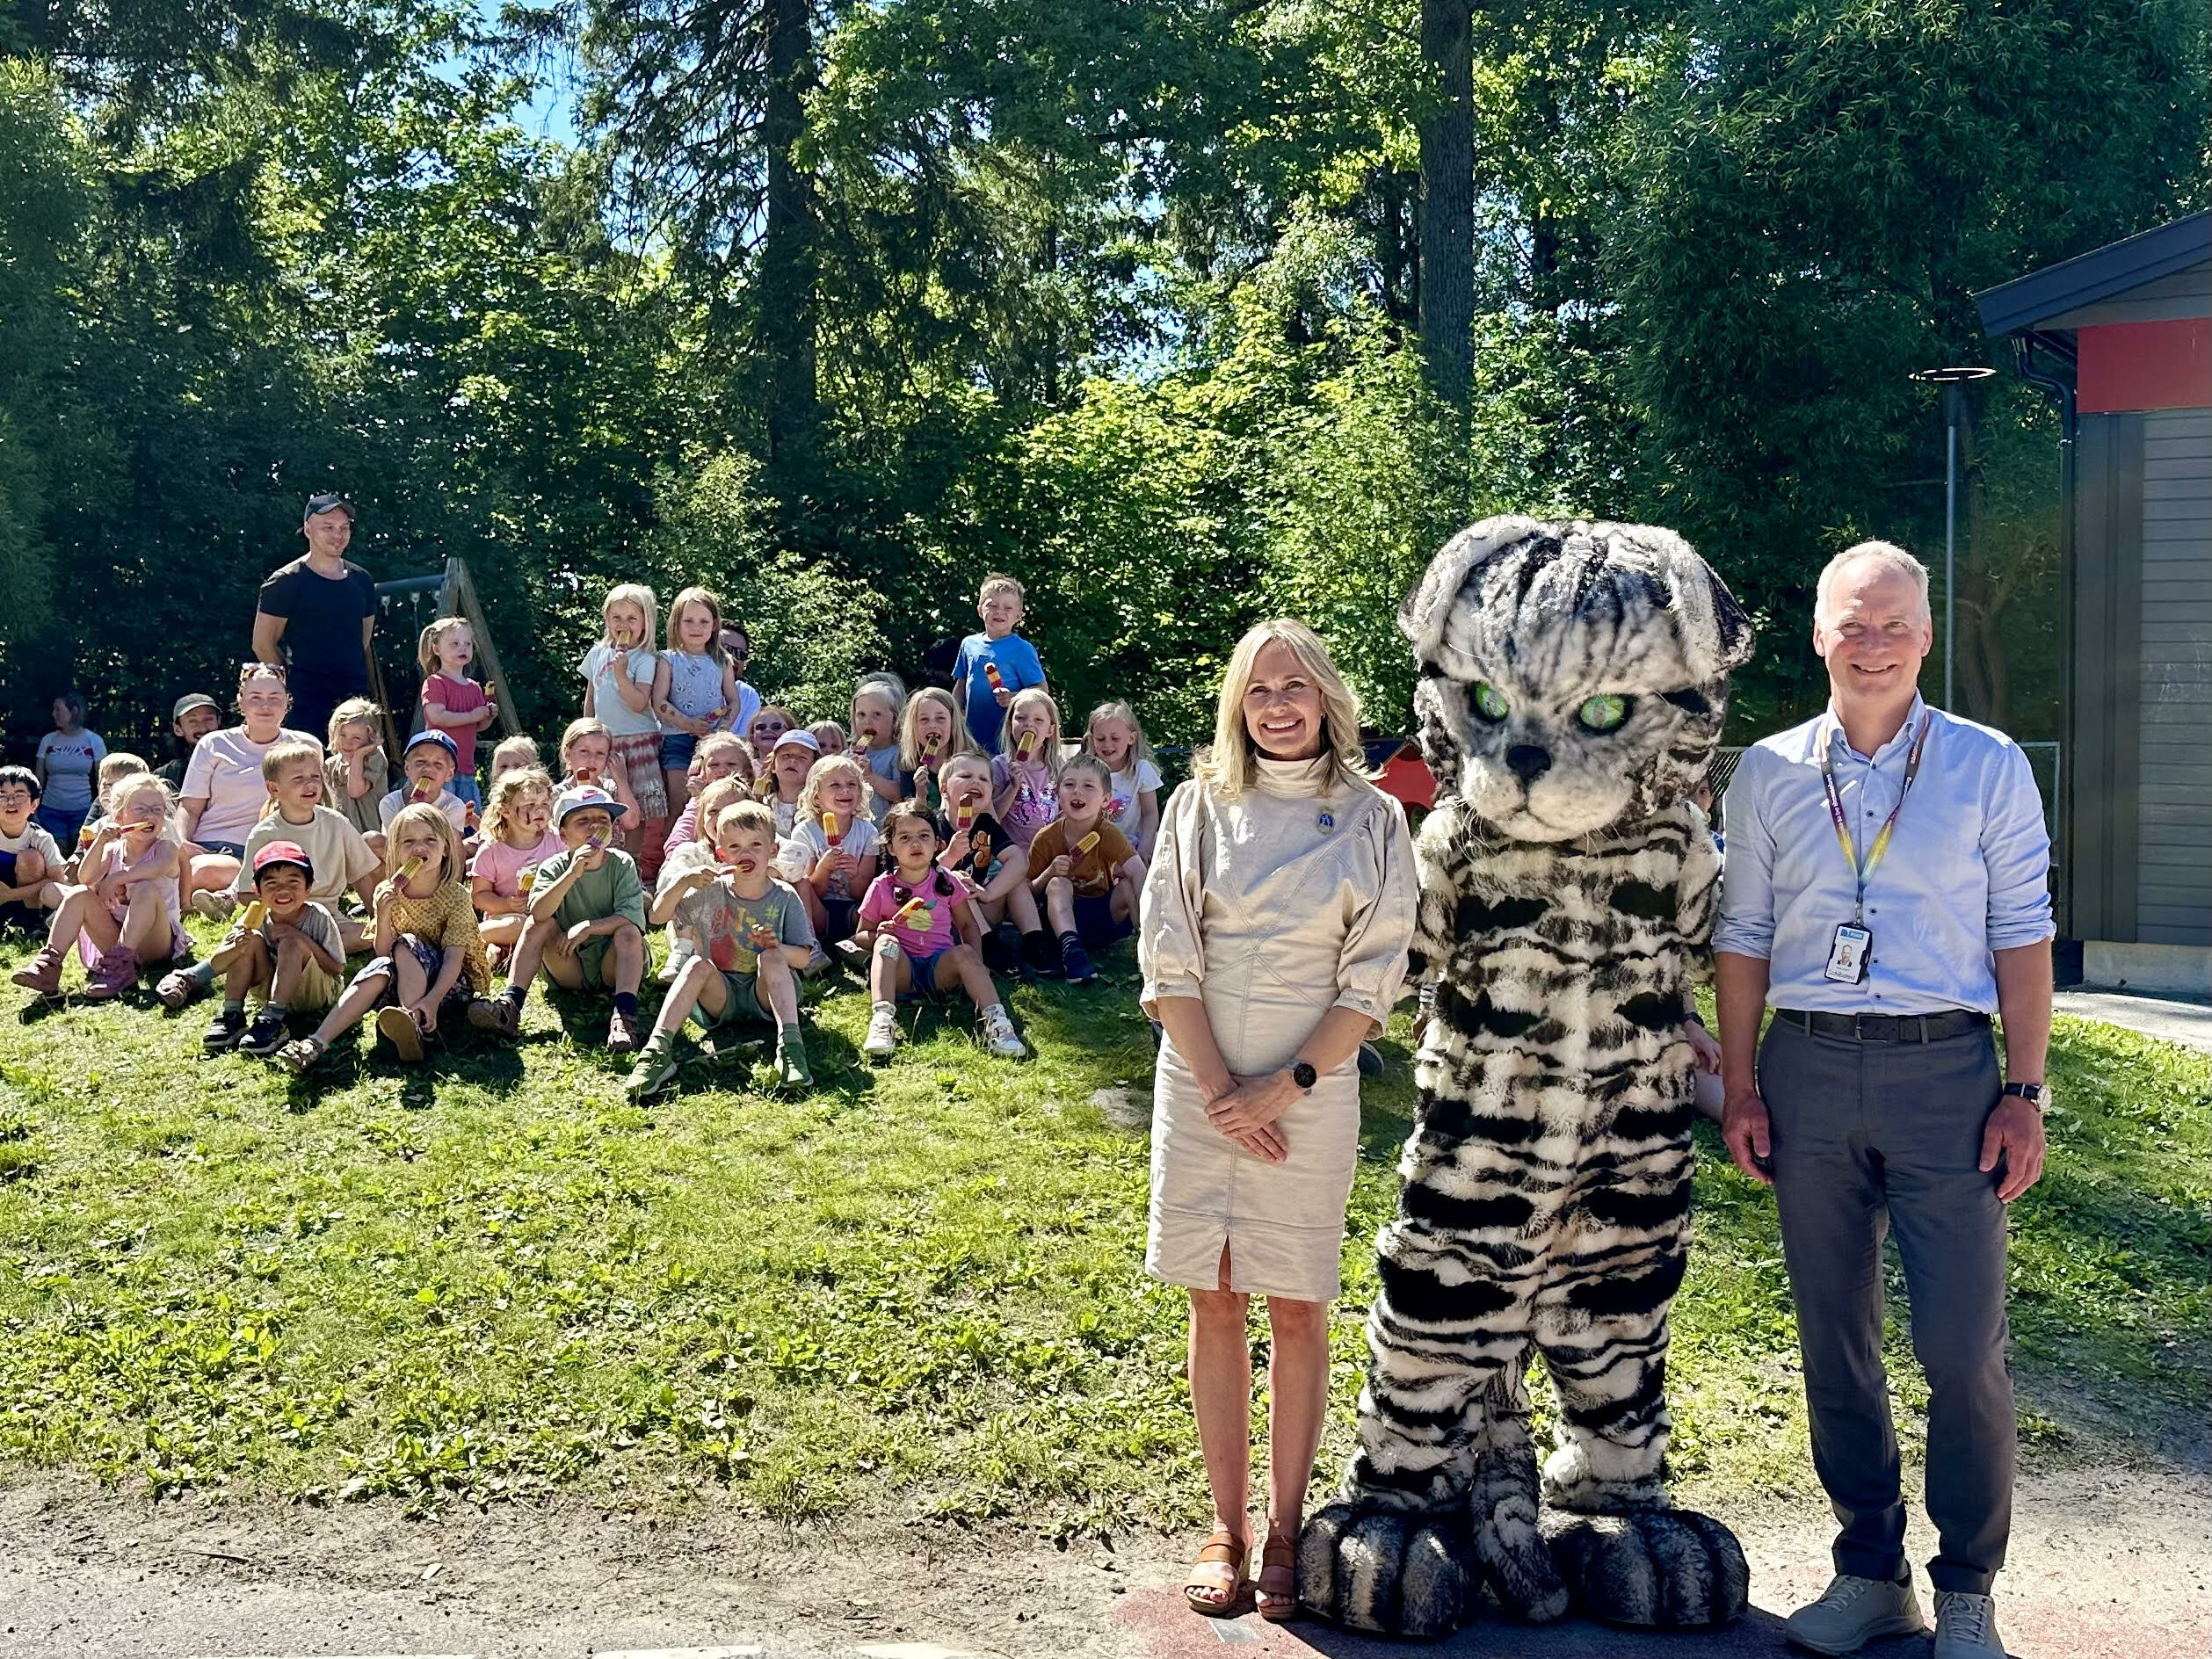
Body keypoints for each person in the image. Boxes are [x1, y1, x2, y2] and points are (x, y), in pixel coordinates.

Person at [1713, 541, 2054, 1659]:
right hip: (1807, 1069)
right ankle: (1871, 1572)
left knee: (1962, 1347)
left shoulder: (1988, 765)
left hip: (1947, 1072)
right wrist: (1741, 1081)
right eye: (1851, 623)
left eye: (1893, 624)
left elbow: (2022, 935)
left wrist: (2023, 1089)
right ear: (1818, 634)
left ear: (1925, 636)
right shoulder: (1766, 772)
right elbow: (1743, 937)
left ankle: (1967, 1590)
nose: (1872, 643)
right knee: (1834, 1337)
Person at [1138, 618, 1415, 1621]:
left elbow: (1375, 976)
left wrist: (1283, 1084)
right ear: (1237, 704)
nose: (1279, 705)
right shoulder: (1197, 806)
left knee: (1296, 1303)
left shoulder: (1376, 819)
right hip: (1200, 1079)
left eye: (1296, 686)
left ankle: (1291, 1526)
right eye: (1260, 690)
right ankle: (1228, 1525)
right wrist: (1222, 1089)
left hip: (1311, 1091)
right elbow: (1169, 956)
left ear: (1328, 698)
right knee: (1214, 1297)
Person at [273, 804, 493, 1072]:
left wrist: (433, 999)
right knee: (376, 968)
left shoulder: (455, 895)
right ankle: (317, 1042)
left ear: (446, 848)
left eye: (429, 840)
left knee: (408, 942)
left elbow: (453, 959)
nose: (419, 848)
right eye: (408, 841)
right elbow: (383, 953)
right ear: (395, 851)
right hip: (404, 978)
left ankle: (413, 1022)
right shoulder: (387, 891)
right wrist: (383, 912)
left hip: (449, 987)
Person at [628, 799, 816, 1098]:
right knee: (695, 965)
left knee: (771, 956)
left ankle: (791, 1048)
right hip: (720, 996)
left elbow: (804, 958)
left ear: (773, 851)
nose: (746, 853)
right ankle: (656, 1051)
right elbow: (657, 917)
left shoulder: (784, 896)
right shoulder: (710, 891)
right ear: (721, 854)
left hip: (765, 995)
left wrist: (777, 946)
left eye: (756, 844)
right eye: (736, 847)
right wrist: (681, 883)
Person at [470, 785, 649, 1052]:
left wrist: (589, 927)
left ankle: (624, 1017)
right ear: (563, 835)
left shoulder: (621, 864)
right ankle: (510, 1006)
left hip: (614, 964)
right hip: (568, 962)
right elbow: (538, 912)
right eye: (583, 821)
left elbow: (631, 918)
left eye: (603, 820)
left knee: (628, 932)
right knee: (538, 923)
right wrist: (572, 874)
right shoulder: (554, 867)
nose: (594, 826)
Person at [855, 802, 1026, 1062]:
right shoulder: (882, 887)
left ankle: (997, 1023)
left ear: (938, 844)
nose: (916, 844)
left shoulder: (947, 881)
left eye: (924, 836)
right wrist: (878, 934)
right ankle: (882, 1018)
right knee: (886, 942)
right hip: (903, 971)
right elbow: (861, 936)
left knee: (966, 953)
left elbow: (968, 926)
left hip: (940, 970)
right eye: (905, 837)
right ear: (891, 847)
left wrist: (976, 966)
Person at [11, 772, 189, 1002]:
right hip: (115, 939)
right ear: (120, 816)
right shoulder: (113, 849)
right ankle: (49, 964)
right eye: (141, 809)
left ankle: (121, 968)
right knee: (79, 894)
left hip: (156, 943)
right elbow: (85, 878)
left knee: (146, 888)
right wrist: (100, 842)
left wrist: (115, 879)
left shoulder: (165, 848)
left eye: (157, 809)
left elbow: (156, 869)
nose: (150, 815)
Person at [178, 663, 319, 915]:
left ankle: (225, 896)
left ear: (287, 702)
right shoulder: (214, 744)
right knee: (193, 866)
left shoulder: (305, 746)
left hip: (274, 847)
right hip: (211, 844)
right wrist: (180, 842)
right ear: (241, 703)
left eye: (274, 698)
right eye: (256, 698)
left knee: (200, 871)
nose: (265, 706)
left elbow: (318, 806)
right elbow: (189, 807)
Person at [203, 840, 349, 1057]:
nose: (283, 890)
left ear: (308, 888)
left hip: (315, 994)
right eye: (271, 883)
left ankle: (274, 1020)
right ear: (257, 891)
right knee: (249, 940)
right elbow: (217, 964)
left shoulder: (318, 916)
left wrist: (302, 939)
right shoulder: (255, 917)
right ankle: (232, 1014)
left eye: (293, 882)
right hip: (267, 990)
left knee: (291, 944)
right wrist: (237, 947)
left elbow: (337, 968)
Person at [252, 494, 377, 743]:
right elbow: (262, 644)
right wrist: (290, 686)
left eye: (344, 528)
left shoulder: (362, 580)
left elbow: (362, 639)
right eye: (328, 527)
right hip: (304, 702)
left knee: (358, 775)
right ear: (308, 530)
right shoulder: (285, 581)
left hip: (354, 700)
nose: (338, 534)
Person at [1026, 755, 1144, 984]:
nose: (1077, 792)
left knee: (1129, 885)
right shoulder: (1046, 838)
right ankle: (1072, 952)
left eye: (1088, 786)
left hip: (1101, 913)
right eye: (1069, 785)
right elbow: (1027, 893)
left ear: (1105, 799)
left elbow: (1138, 871)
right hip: (1059, 920)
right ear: (1057, 793)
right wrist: (1049, 872)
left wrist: (1144, 918)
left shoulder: (1107, 833)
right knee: (1058, 884)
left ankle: (1145, 943)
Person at [932, 752, 1048, 974]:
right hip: (948, 917)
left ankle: (1035, 943)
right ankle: (990, 948)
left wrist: (987, 892)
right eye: (966, 775)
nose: (976, 782)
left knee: (1017, 881)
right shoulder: (933, 827)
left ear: (990, 794)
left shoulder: (986, 824)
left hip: (983, 907)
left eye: (984, 779)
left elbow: (1017, 861)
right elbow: (927, 875)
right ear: (944, 790)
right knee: (958, 881)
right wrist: (951, 854)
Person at [579, 583, 669, 867]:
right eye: (616, 617)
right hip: (606, 742)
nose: (623, 624)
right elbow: (590, 697)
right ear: (607, 620)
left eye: (632, 618)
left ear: (645, 623)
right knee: (603, 801)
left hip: (639, 740)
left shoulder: (645, 659)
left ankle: (634, 862)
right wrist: (587, 732)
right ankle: (603, 859)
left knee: (636, 808)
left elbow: (639, 703)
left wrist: (621, 674)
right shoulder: (597, 653)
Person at [652, 586, 743, 819]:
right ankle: (673, 850)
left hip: (714, 745)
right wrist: (688, 723)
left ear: (714, 625)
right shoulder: (667, 659)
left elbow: (733, 701)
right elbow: (659, 701)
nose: (696, 627)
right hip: (678, 739)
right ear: (676, 624)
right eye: (689, 621)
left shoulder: (722, 660)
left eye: (703, 621)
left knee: (717, 801)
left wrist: (722, 728)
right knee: (680, 803)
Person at [774, 753, 881, 946]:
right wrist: (823, 869)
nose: (845, 790)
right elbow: (812, 890)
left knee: (880, 900)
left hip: (853, 910)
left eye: (852, 784)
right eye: (835, 785)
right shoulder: (805, 832)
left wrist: (854, 874)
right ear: (817, 797)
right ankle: (809, 943)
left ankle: (855, 943)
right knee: (802, 882)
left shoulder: (868, 832)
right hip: (818, 910)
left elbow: (863, 893)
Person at [468, 766, 562, 958]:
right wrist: (506, 904)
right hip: (508, 918)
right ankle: (467, 939)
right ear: (505, 810)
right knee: (518, 925)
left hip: (550, 917)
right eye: (529, 804)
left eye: (545, 803)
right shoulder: (492, 851)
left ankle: (498, 953)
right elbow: (479, 896)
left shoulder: (557, 840)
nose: (539, 810)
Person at [952, 573, 1046, 753]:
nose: (999, 611)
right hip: (971, 736)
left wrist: (1014, 697)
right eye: (992, 605)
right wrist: (953, 714)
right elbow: (961, 685)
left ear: (1018, 615)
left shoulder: (1022, 650)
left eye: (1008, 608)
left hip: (1007, 738)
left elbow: (1041, 690)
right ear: (980, 610)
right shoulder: (969, 644)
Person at [417, 616, 497, 809]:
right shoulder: (435, 682)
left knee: (470, 820)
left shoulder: (474, 687)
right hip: (439, 770)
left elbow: (477, 726)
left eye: (467, 644)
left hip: (466, 768)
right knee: (441, 819)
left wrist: (488, 717)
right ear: (437, 650)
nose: (463, 648)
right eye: (455, 644)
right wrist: (473, 715)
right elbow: (437, 716)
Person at [1084, 699, 1164, 860]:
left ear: (1131, 738)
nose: (1108, 745)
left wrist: (1145, 847)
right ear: (1092, 739)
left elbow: (1150, 813)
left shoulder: (1141, 770)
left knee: (1129, 884)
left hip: (1131, 847)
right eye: (1100, 739)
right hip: (1094, 847)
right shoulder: (1084, 771)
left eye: (1115, 738)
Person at [991, 686, 1063, 849]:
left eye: (1038, 720)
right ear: (1010, 725)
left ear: (1050, 730)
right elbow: (992, 816)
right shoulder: (999, 766)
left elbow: (1065, 813)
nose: (1029, 724)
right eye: (1021, 718)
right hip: (1012, 855)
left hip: (1048, 852)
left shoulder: (1059, 768)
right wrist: (1012, 786)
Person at [33, 692, 106, 849]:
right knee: (56, 852)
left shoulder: (93, 740)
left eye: (58, 709)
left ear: (74, 711)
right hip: (50, 809)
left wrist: (101, 810)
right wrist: (34, 808)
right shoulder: (48, 740)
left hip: (83, 810)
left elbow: (103, 778)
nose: (54, 714)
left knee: (80, 853)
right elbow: (39, 778)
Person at [658, 734, 752, 855]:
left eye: (731, 764)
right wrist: (700, 800)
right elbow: (676, 843)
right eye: (714, 765)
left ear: (747, 771)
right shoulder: (697, 800)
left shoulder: (752, 800)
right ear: (702, 773)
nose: (722, 770)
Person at [0, 765, 65, 934]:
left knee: (31, 858)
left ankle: (32, 920)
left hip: (26, 897)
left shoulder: (41, 838)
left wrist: (12, 895)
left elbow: (57, 879)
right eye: (2, 795)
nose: (10, 802)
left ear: (34, 804)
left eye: (19, 795)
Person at [896, 687, 974, 815]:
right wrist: (920, 795)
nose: (932, 725)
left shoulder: (972, 762)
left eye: (940, 718)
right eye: (924, 719)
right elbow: (913, 821)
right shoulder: (909, 763)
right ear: (914, 726)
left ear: (953, 723)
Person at [323, 699, 390, 849]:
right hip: (342, 837)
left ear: (370, 739)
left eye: (356, 738)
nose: (348, 743)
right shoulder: (331, 765)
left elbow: (355, 791)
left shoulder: (374, 759)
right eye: (342, 735)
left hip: (370, 835)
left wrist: (359, 756)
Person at [379, 728, 469, 835]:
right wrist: (413, 805)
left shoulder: (453, 806)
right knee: (372, 838)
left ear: (449, 774)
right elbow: (398, 839)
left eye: (438, 764)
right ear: (407, 768)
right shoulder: (390, 802)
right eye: (420, 762)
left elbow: (437, 841)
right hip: (398, 850)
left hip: (440, 851)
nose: (428, 769)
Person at [851, 672, 908, 824]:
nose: (867, 721)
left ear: (895, 720)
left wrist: (870, 777)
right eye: (861, 715)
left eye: (877, 714)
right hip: (853, 830)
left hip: (883, 830)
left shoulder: (898, 755)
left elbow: (900, 793)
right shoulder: (848, 754)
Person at [156, 693, 222, 795]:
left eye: (209, 719)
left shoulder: (239, 765)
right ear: (178, 729)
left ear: (218, 721)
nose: (203, 728)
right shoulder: (164, 777)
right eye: (193, 721)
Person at [761, 728, 819, 838]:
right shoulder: (763, 804)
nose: (792, 760)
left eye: (802, 757)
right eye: (786, 755)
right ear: (773, 766)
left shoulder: (818, 807)